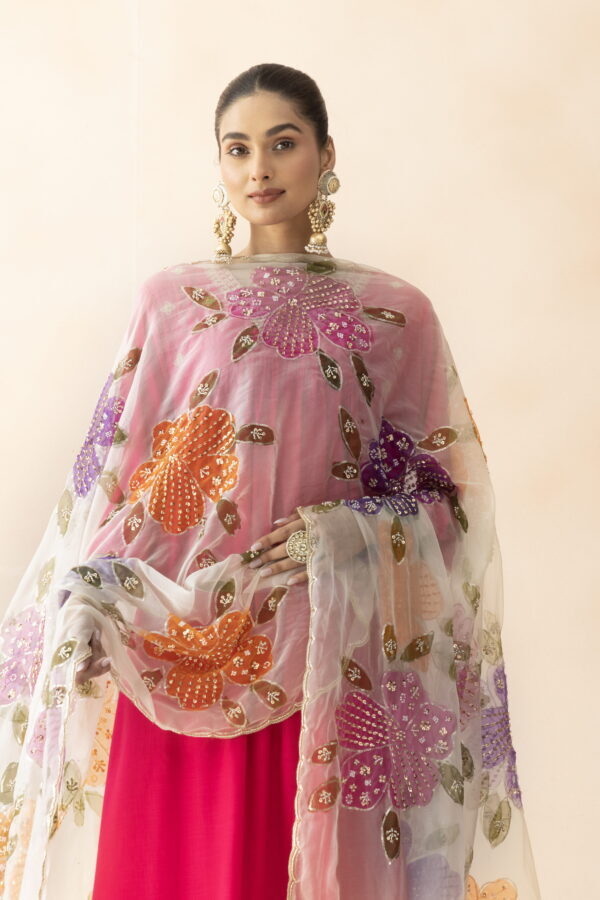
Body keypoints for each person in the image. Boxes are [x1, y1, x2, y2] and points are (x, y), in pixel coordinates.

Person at [0, 63, 541, 899]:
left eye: (282, 144)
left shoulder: (394, 313)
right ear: (219, 163)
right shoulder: (173, 302)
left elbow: (449, 502)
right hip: (173, 649)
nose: (259, 168)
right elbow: (121, 473)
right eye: (238, 148)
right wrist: (94, 600)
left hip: (319, 652)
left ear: (326, 154)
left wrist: (344, 535)